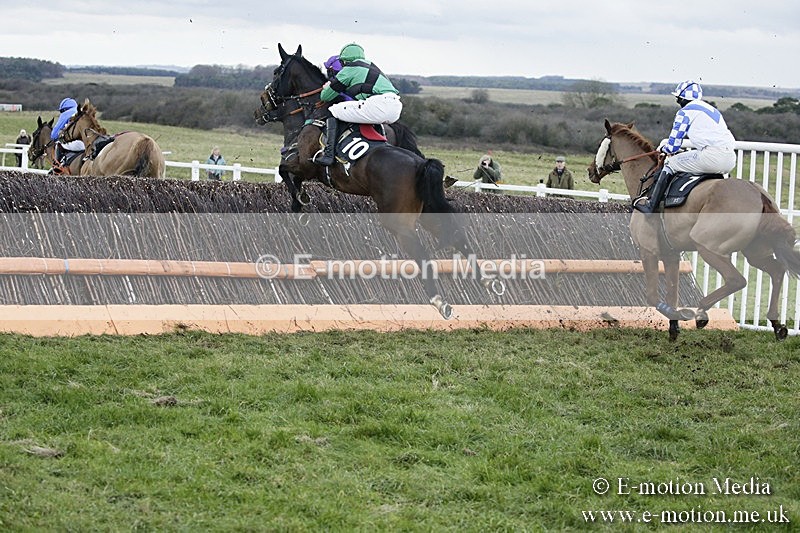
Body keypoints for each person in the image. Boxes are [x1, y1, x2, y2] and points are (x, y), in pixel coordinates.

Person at [634, 80, 736, 214]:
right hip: (730, 159)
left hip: (711, 157)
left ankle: (651, 205)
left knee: (670, 163)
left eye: (677, 98)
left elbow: (673, 146)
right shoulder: (712, 109)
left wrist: (664, 149)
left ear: (682, 98)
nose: (677, 101)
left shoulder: (685, 112)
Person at [314, 43, 402, 166]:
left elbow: (325, 96)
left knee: (332, 110)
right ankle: (383, 145)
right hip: (395, 107)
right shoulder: (371, 66)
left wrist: (327, 87)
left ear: (344, 61)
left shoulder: (349, 69)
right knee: (370, 116)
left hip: (378, 104)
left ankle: (329, 155)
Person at [51, 97, 86, 167]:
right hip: (87, 144)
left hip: (77, 144)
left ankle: (57, 167)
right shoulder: (83, 112)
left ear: (64, 109)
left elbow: (54, 135)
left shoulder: (67, 113)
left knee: (58, 143)